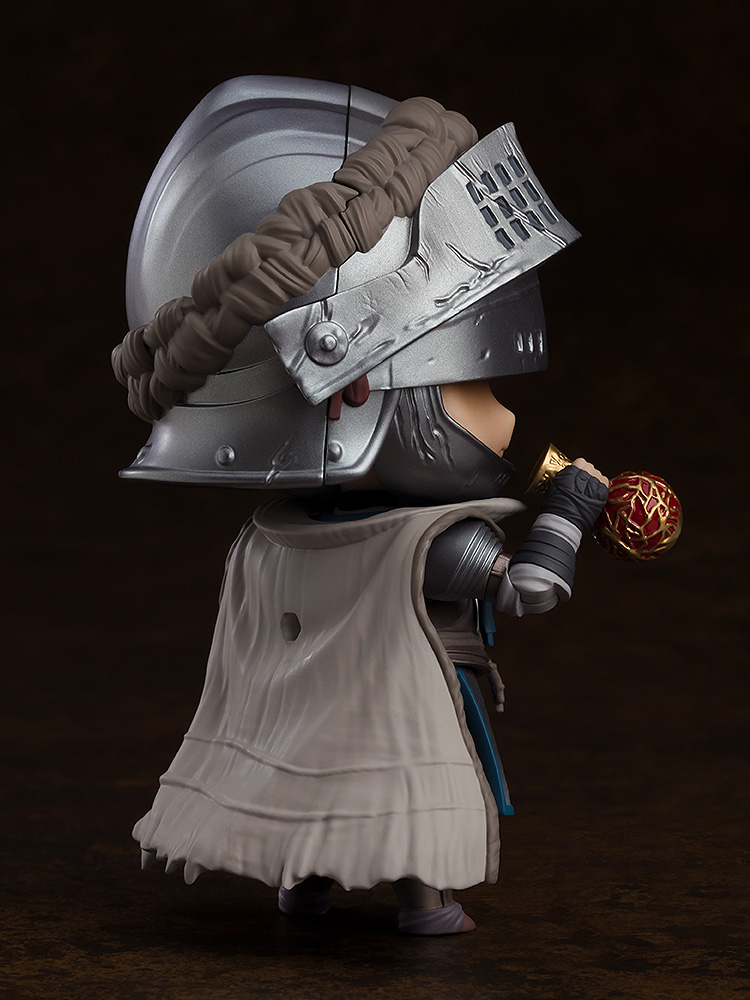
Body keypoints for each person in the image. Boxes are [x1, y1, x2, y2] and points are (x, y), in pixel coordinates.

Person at [113, 76, 607, 935]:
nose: (505, 418)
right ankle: (423, 904)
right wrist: (570, 508)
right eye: (470, 385)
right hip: (393, 734)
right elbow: (529, 589)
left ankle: (302, 884)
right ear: (352, 385)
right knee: (400, 793)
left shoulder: (271, 539)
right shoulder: (416, 544)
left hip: (303, 736)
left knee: (310, 775)